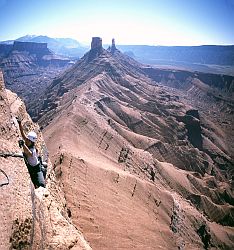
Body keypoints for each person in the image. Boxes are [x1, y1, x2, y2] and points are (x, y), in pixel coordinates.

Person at [16, 117, 46, 189]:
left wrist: (23, 144)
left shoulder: (33, 150)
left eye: (28, 140)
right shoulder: (28, 141)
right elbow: (23, 134)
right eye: (27, 139)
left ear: (31, 142)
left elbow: (28, 153)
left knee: (41, 184)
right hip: (32, 167)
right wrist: (20, 124)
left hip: (36, 169)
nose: (26, 141)